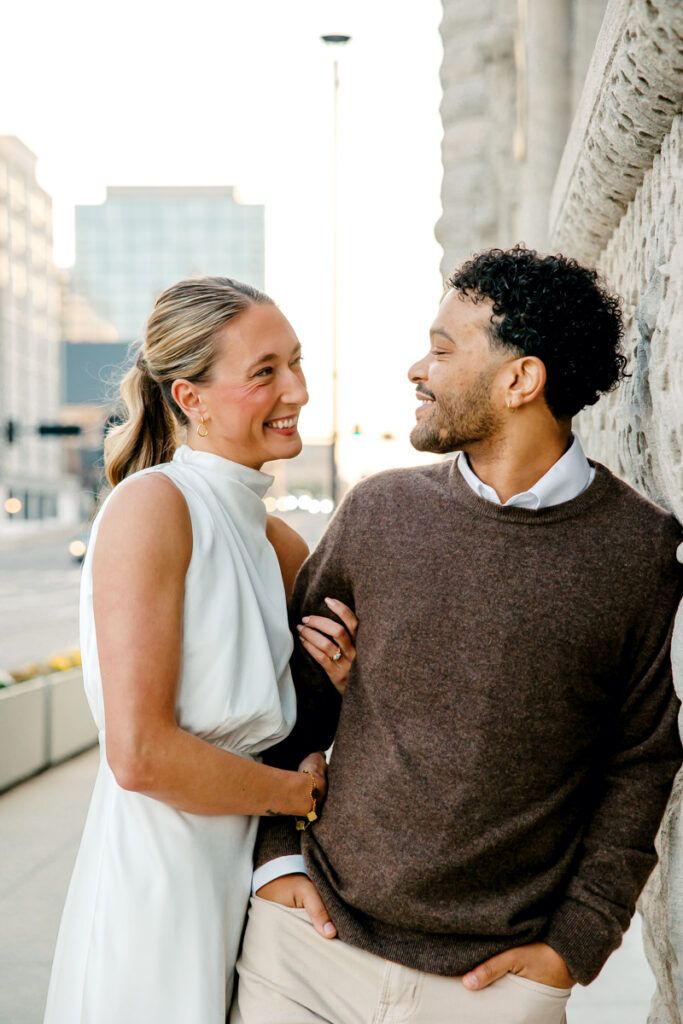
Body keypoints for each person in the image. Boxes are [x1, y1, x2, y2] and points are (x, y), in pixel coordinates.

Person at [231, 247, 683, 1024]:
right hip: (307, 948)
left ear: (520, 380)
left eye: (442, 349)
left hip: (494, 989)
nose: (418, 368)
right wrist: (275, 858)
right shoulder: (378, 514)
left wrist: (575, 943)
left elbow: (639, 762)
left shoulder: (640, 552)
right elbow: (284, 700)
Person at [43, 277, 354, 1024]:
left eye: (296, 363)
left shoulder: (280, 542)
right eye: (265, 372)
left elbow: (304, 726)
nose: (298, 391)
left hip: (255, 884)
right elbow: (140, 755)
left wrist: (340, 684)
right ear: (191, 398)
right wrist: (295, 796)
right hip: (156, 889)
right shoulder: (154, 506)